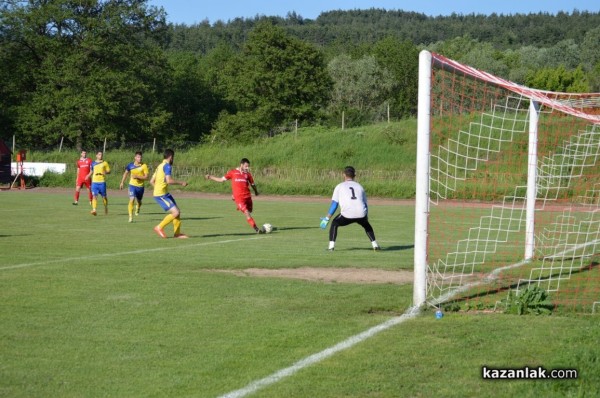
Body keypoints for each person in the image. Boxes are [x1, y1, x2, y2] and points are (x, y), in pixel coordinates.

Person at [320, 166, 381, 251]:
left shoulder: (339, 186)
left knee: (334, 223)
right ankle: (375, 245)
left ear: (344, 175)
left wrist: (327, 218)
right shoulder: (360, 186)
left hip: (347, 214)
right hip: (361, 213)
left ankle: (331, 247)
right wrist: (365, 216)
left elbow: (334, 204)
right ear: (354, 175)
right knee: (366, 225)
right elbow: (365, 204)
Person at [205, 158, 265, 234]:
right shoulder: (233, 172)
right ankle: (256, 229)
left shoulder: (248, 174)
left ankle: (253, 224)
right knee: (246, 212)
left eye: (248, 166)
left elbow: (253, 184)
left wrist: (256, 192)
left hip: (248, 197)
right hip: (239, 198)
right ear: (241, 165)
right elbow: (221, 179)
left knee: (249, 211)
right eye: (246, 166)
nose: (247, 168)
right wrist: (210, 177)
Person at [150, 149, 188, 239]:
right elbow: (169, 181)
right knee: (175, 212)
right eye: (173, 157)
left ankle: (177, 234)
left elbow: (151, 181)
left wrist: (158, 188)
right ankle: (159, 227)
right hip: (161, 195)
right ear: (171, 157)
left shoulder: (159, 166)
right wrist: (181, 183)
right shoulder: (167, 166)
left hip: (164, 193)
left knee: (178, 213)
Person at [119, 151, 149, 223]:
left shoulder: (144, 166)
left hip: (140, 187)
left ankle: (138, 207)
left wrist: (137, 176)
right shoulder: (130, 165)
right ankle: (130, 217)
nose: (140, 158)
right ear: (135, 158)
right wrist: (122, 182)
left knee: (139, 201)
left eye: (140, 157)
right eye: (138, 157)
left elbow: (146, 177)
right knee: (131, 199)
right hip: (132, 185)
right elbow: (126, 173)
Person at [86, 151, 111, 216]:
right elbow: (91, 171)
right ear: (96, 155)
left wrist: (105, 172)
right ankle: (94, 210)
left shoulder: (105, 163)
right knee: (94, 196)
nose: (101, 156)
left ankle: (105, 207)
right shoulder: (92, 163)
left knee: (104, 197)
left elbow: (109, 171)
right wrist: (88, 176)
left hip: (102, 182)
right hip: (94, 182)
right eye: (99, 155)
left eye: (101, 155)